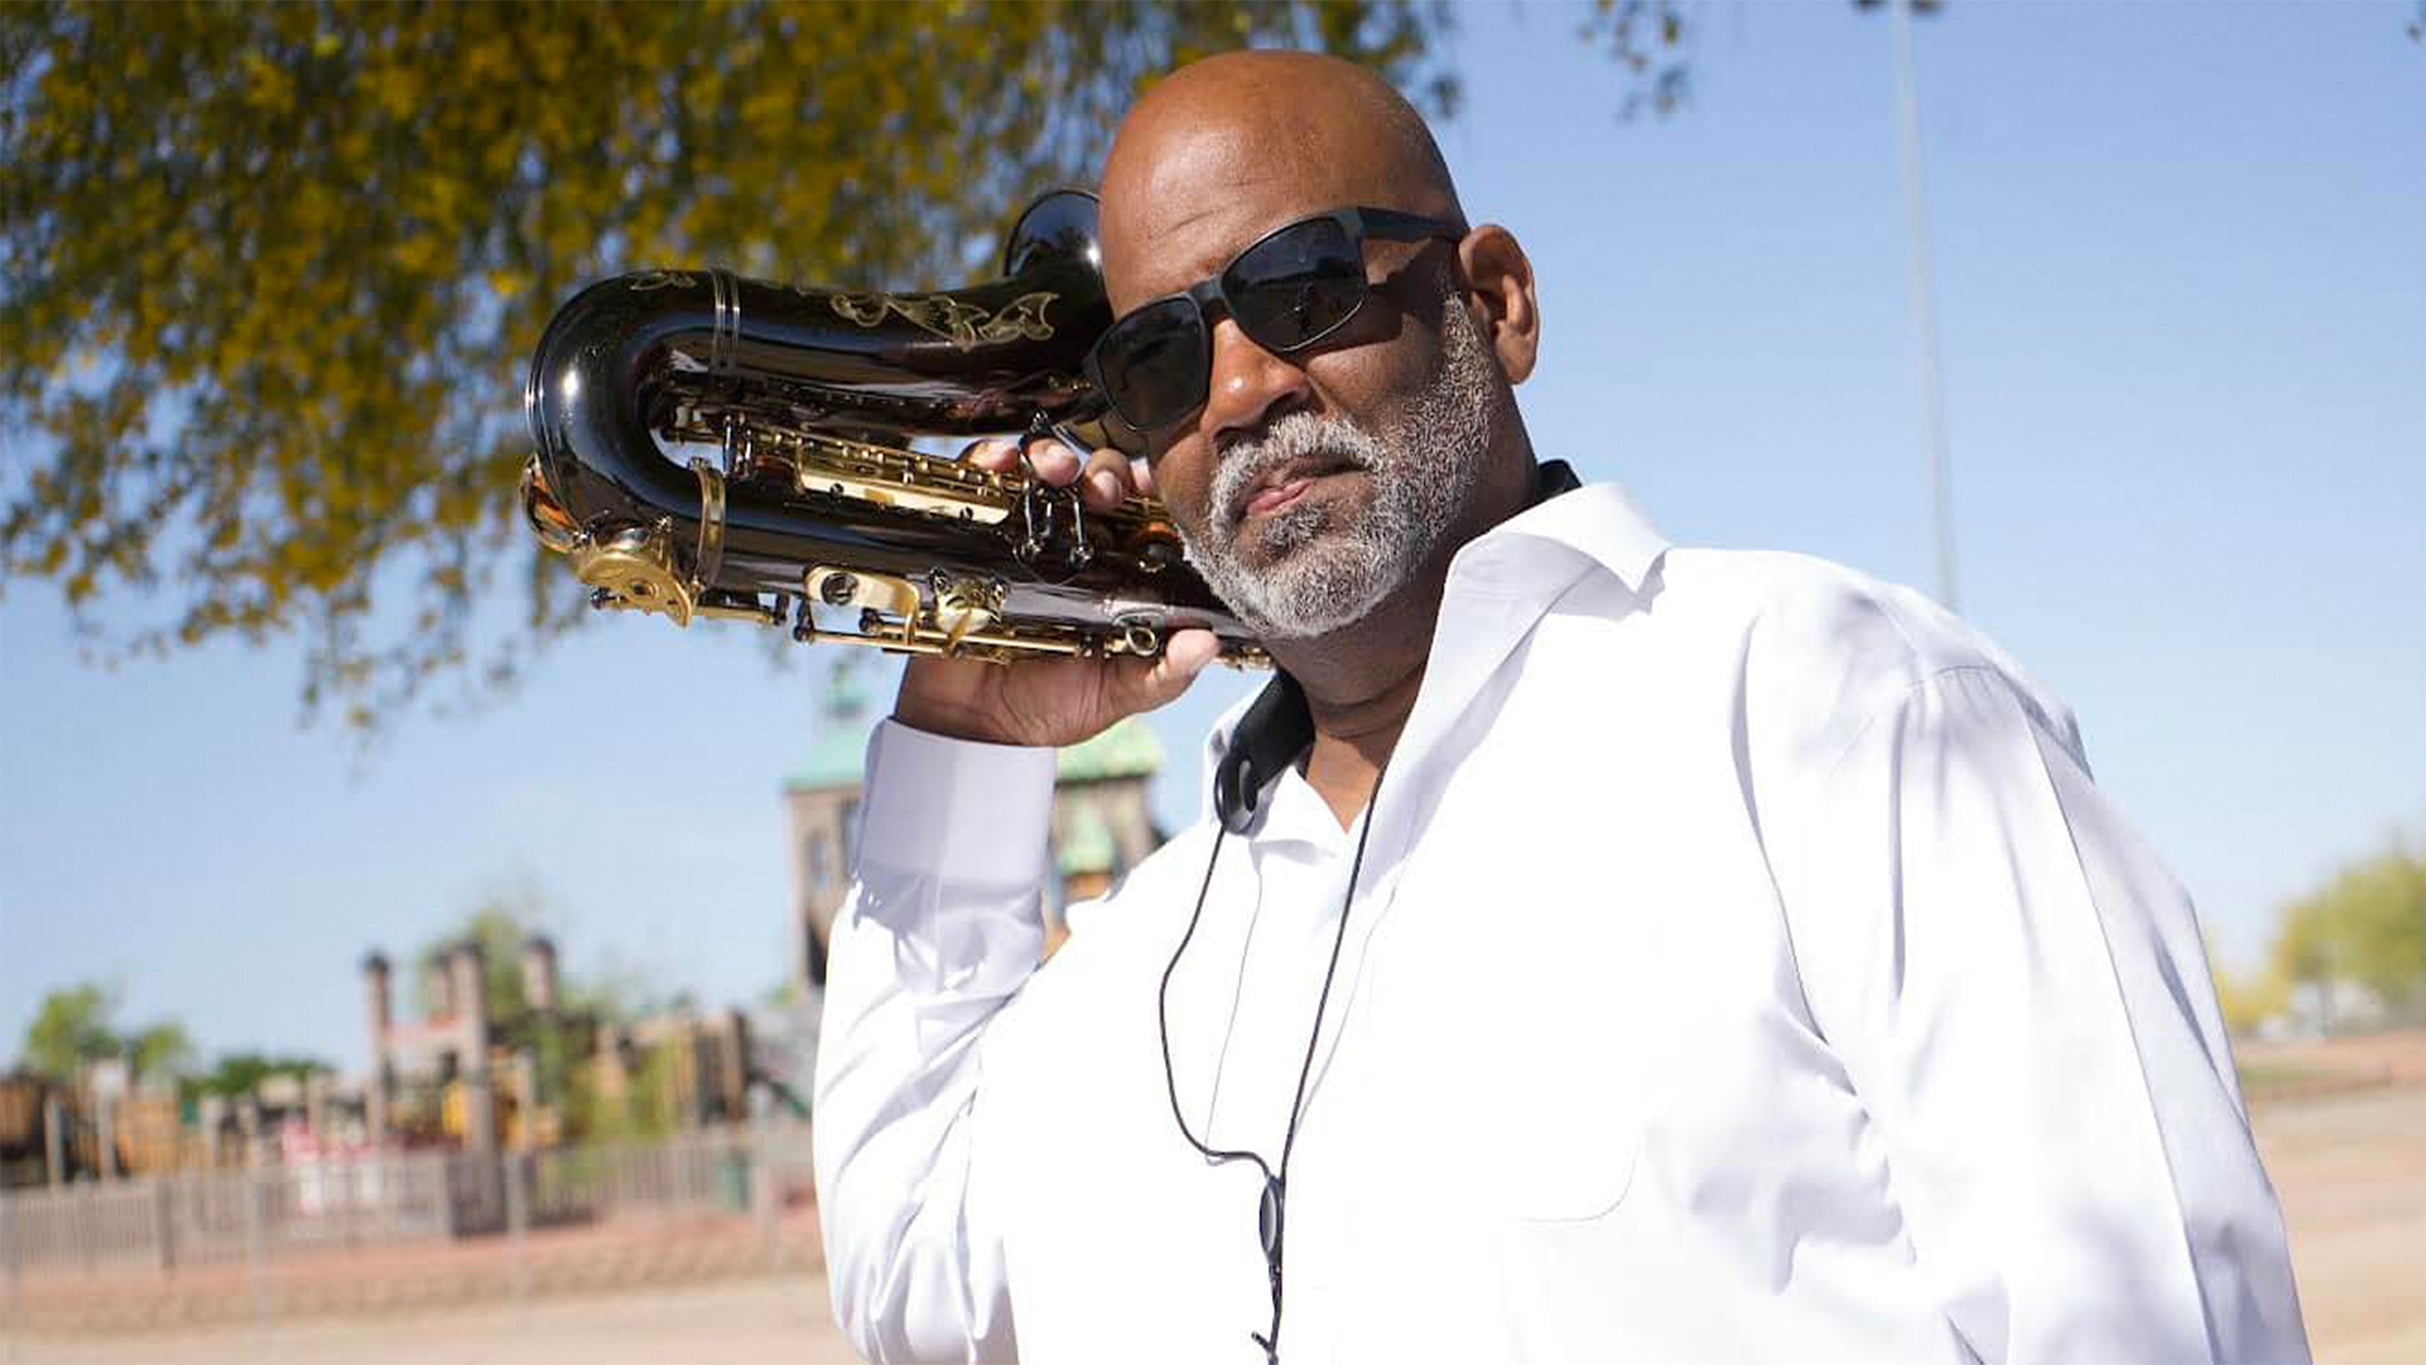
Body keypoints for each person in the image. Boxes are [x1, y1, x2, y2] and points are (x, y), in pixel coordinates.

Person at [812, 49, 2309, 1365]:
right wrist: (967, 746)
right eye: (1154, 360)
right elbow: (909, 1277)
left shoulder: (1839, 708)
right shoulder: (1148, 944)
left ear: (1495, 304)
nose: (1239, 387)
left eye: (1300, 283)